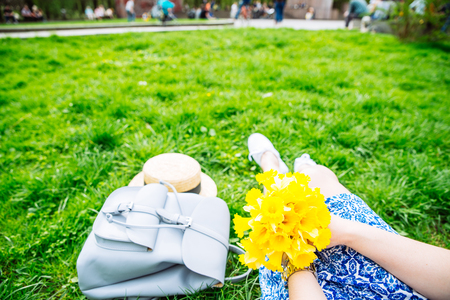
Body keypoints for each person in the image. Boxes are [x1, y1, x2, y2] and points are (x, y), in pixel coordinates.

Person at [247, 133, 450, 300]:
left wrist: (294, 256)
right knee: (319, 178)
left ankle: (272, 169)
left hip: (302, 283)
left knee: (274, 213)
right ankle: (304, 168)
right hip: (403, 284)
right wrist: (345, 231)